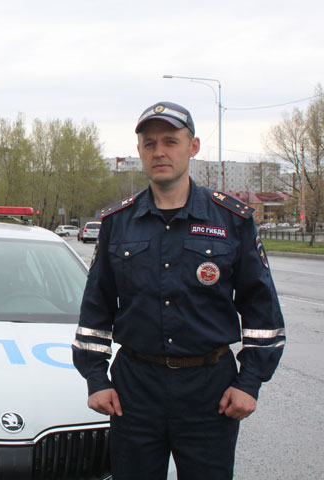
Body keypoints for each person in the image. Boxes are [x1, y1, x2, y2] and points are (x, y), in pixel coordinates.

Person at [72, 101, 285, 479]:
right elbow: (96, 308)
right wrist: (96, 379)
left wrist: (250, 382)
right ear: (139, 151)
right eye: (149, 143)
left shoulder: (231, 221)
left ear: (193, 146)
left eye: (171, 141)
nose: (160, 152)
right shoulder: (118, 223)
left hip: (210, 392)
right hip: (135, 390)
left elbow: (261, 309)